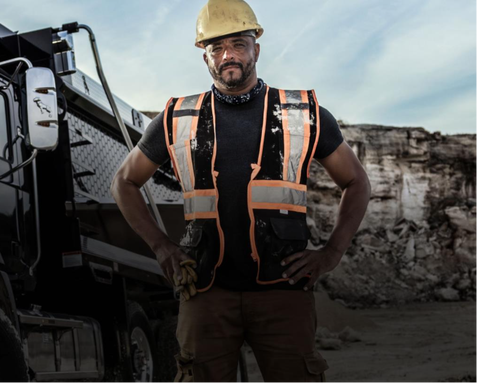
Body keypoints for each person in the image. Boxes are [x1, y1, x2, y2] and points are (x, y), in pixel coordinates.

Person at [110, 0, 371, 381]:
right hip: (205, 291)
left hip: (283, 290)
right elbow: (124, 182)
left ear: (256, 49)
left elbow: (356, 181)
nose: (228, 54)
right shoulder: (177, 117)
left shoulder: (302, 112)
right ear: (206, 58)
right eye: (216, 47)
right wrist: (162, 247)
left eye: (238, 43)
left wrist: (331, 253)